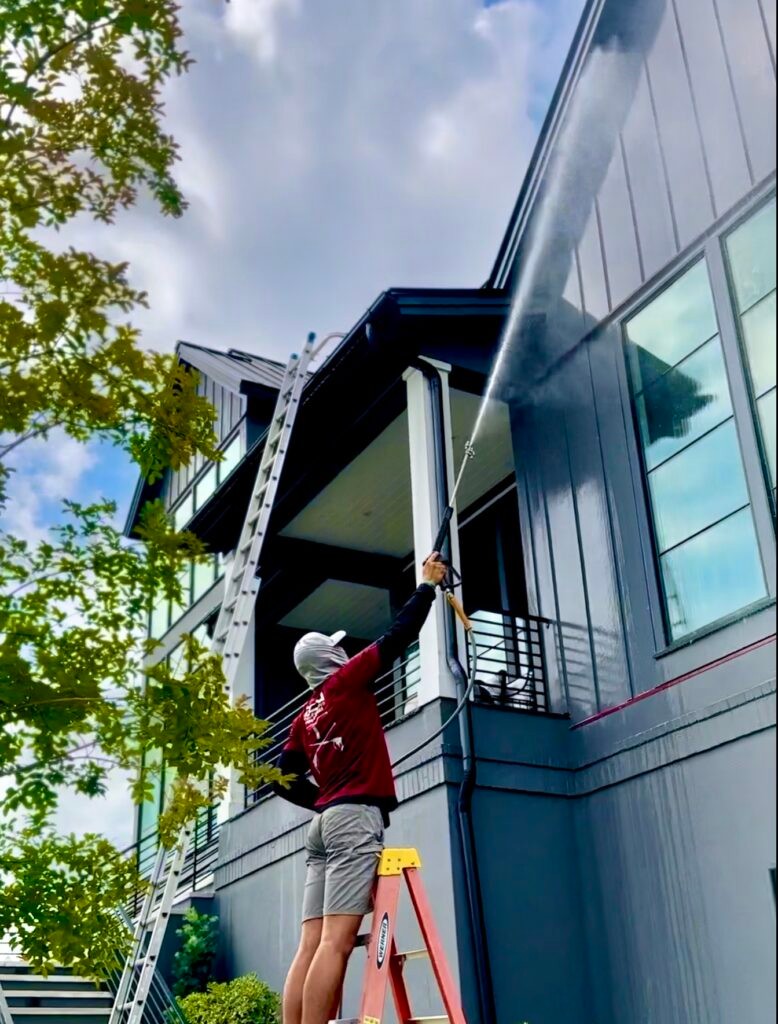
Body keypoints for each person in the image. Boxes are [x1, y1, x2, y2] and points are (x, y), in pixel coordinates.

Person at [274, 551, 447, 1024]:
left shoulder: (304, 714)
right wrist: (427, 585)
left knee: (311, 943)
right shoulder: (347, 682)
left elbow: (282, 777)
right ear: (330, 659)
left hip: (324, 826)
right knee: (336, 941)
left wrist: (323, 802)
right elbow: (399, 637)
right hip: (352, 820)